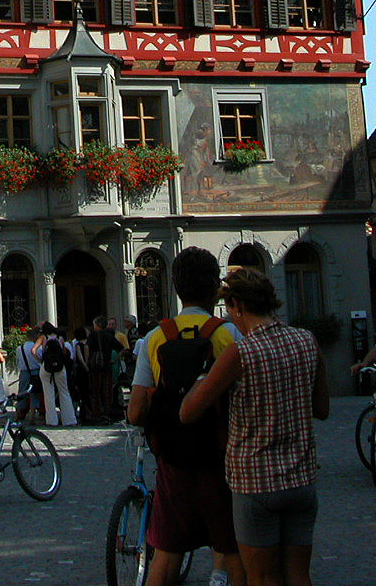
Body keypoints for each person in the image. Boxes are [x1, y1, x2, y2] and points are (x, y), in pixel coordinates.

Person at [181, 267, 328, 586]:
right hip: (301, 480)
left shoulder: (241, 352)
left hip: (255, 482)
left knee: (262, 578)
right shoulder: (306, 340)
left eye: (230, 309)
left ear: (238, 305)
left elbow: (188, 412)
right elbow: (322, 409)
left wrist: (206, 376)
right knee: (299, 575)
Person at [126, 247, 244, 586]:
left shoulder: (155, 337)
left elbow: (135, 412)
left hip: (174, 462)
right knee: (232, 551)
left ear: (175, 287)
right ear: (214, 288)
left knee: (164, 561)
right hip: (222, 460)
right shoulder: (230, 335)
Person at [37, 323, 77, 426]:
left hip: (46, 367)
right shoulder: (60, 338)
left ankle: (52, 421)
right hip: (59, 366)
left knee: (48, 395)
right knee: (64, 392)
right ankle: (69, 420)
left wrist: (41, 360)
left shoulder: (43, 338)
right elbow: (63, 351)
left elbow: (33, 350)